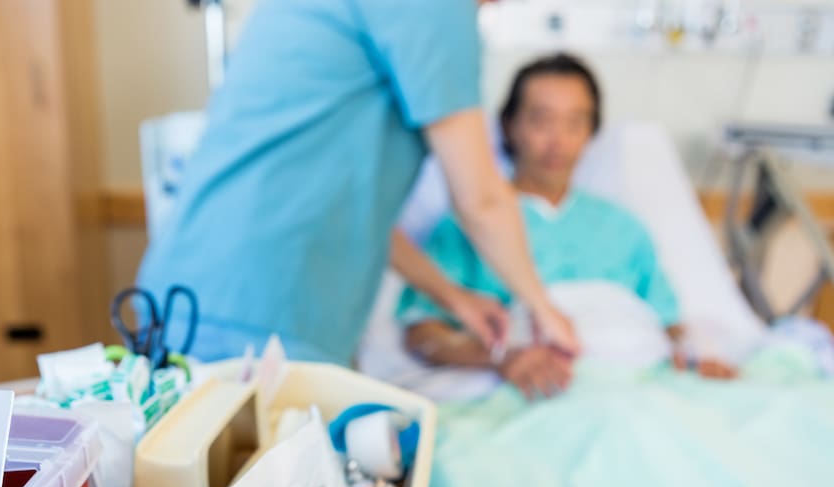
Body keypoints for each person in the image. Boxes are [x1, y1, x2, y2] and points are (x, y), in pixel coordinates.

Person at [136, 0, 577, 367]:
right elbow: (480, 199)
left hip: (207, 296)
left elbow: (345, 207)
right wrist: (544, 311)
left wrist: (453, 298)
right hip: (251, 314)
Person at [394, 52, 737, 399]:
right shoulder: (467, 225)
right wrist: (503, 358)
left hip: (637, 384)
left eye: (575, 123)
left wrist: (696, 356)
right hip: (535, 388)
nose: (558, 140)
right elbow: (424, 334)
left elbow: (668, 325)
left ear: (592, 132)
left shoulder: (624, 228)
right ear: (509, 126)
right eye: (541, 121)